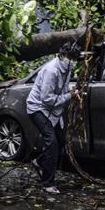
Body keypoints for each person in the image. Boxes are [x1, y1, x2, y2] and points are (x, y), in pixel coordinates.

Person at [26, 41, 80, 193]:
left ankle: (39, 162)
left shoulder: (67, 68)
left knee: (61, 141)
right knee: (52, 143)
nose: (73, 62)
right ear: (62, 55)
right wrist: (69, 96)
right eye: (70, 58)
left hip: (53, 110)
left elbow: (62, 88)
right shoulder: (52, 70)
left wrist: (70, 92)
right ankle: (48, 183)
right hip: (38, 108)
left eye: (75, 59)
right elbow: (47, 98)